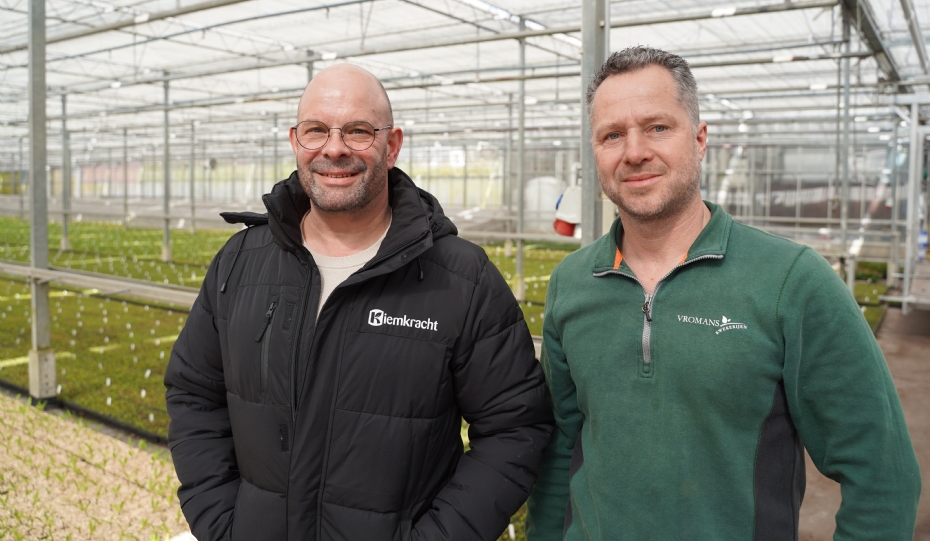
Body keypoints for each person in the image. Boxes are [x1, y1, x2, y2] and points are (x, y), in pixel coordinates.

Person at [526, 47, 921, 540]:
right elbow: (560, 447)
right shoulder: (571, 283)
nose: (634, 151)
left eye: (657, 127)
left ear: (699, 139)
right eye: (612, 135)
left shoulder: (792, 281)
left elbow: (880, 473)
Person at [165, 63, 553, 541]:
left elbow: (515, 428)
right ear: (295, 142)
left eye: (358, 131)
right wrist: (223, 522)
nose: (334, 148)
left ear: (392, 146)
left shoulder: (461, 277)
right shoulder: (240, 263)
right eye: (316, 130)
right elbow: (194, 393)